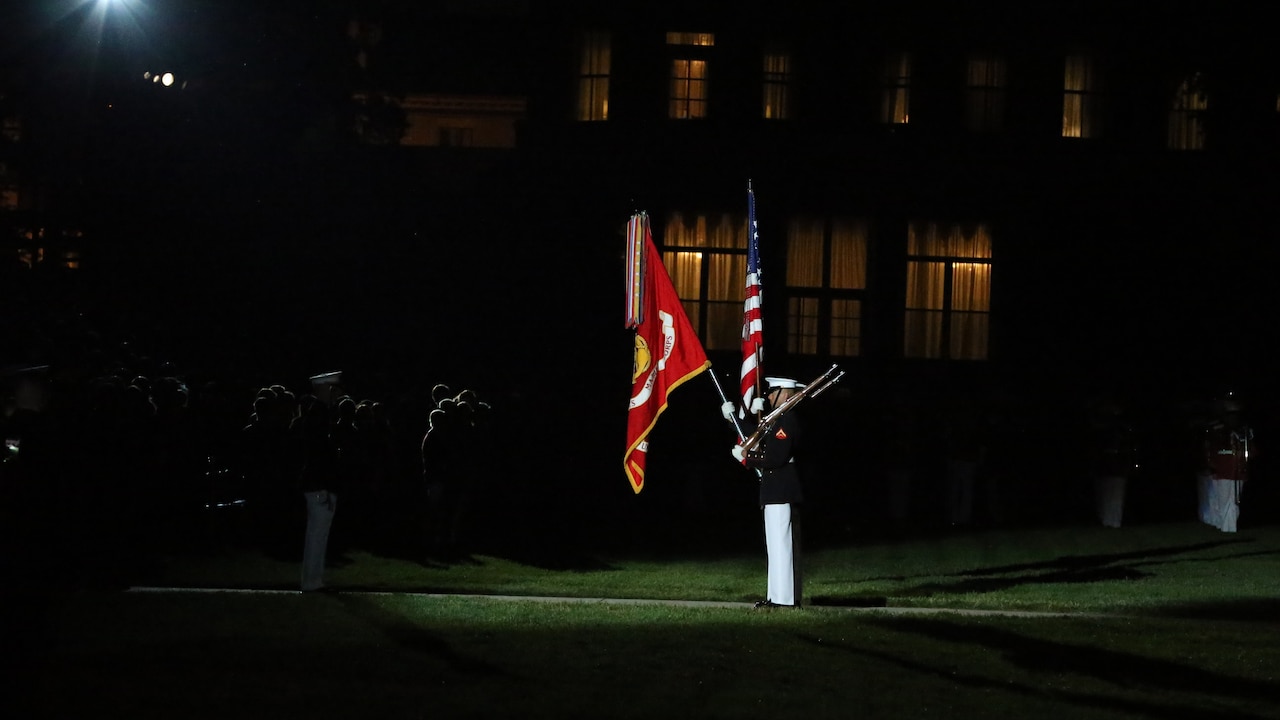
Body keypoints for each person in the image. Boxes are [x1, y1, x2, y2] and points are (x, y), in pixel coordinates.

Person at [724, 376, 805, 610]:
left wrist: (747, 459)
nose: (768, 395)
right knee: (775, 547)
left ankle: (785, 600)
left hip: (781, 490)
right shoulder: (780, 419)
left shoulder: (788, 420)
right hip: (774, 490)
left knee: (781, 546)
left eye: (773, 392)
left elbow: (776, 457)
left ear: (785, 394)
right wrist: (733, 420)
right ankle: (775, 597)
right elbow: (760, 434)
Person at [1198, 394, 1253, 533]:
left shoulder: (1244, 430)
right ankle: (1225, 528)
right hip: (1223, 470)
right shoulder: (1219, 429)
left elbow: (1250, 449)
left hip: (1238, 471)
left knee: (1234, 501)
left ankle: (1230, 528)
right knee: (1223, 501)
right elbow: (1215, 449)